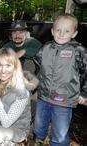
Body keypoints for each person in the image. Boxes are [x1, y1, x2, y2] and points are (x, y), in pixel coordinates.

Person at [34, 14, 87, 146]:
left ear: (74, 33)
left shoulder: (78, 50)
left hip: (64, 100)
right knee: (39, 127)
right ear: (52, 31)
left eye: (67, 31)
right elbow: (37, 65)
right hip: (43, 97)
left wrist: (84, 93)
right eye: (58, 30)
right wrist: (33, 82)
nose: (62, 34)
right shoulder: (45, 47)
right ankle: (39, 141)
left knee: (60, 133)